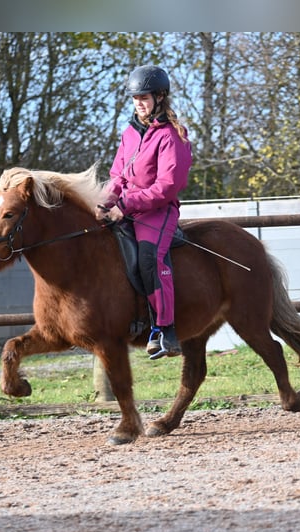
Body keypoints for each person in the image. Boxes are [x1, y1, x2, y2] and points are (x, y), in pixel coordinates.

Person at [95, 64, 193, 359]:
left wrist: (126, 205)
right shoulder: (129, 133)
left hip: (158, 211)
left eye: (145, 97)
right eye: (135, 98)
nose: (139, 103)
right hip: (128, 208)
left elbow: (167, 186)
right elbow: (117, 176)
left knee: (150, 257)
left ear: (160, 97)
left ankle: (166, 329)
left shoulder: (172, 136)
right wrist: (103, 204)